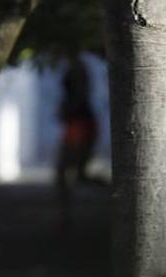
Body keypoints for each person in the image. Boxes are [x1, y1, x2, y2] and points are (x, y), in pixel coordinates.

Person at [54, 54, 101, 229]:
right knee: (74, 173)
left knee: (71, 172)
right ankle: (64, 216)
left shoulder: (79, 68)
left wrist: (66, 111)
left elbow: (79, 96)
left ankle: (64, 216)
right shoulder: (77, 66)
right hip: (78, 125)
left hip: (79, 125)